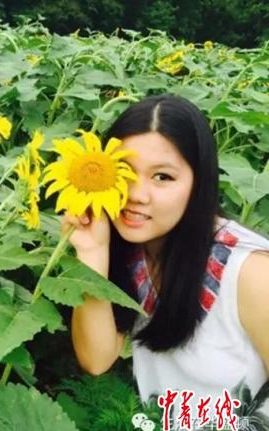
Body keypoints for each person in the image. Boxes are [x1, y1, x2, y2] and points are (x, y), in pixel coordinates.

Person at [66, 95, 269, 414]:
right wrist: (92, 253)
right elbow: (97, 359)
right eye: (124, 172)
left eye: (162, 177)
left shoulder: (251, 273)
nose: (136, 195)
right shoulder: (133, 251)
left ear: (198, 184)